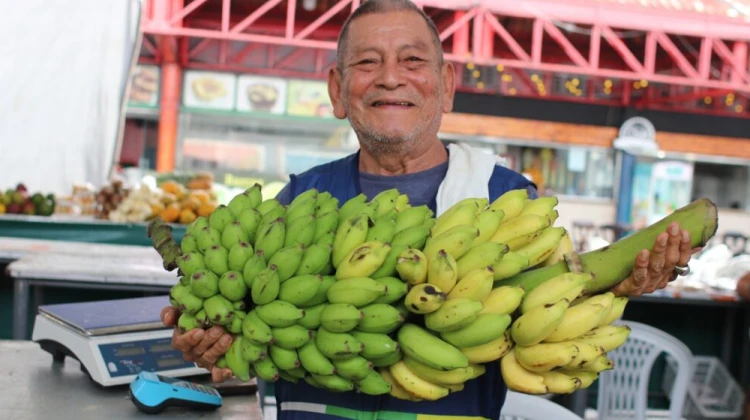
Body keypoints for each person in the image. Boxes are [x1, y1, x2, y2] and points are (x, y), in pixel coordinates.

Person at [160, 0, 698, 418]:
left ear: (446, 87)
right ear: (338, 91)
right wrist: (207, 339)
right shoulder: (300, 202)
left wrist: (617, 287)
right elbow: (245, 337)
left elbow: (553, 325)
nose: (391, 77)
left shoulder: (507, 201)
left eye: (413, 61)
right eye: (368, 63)